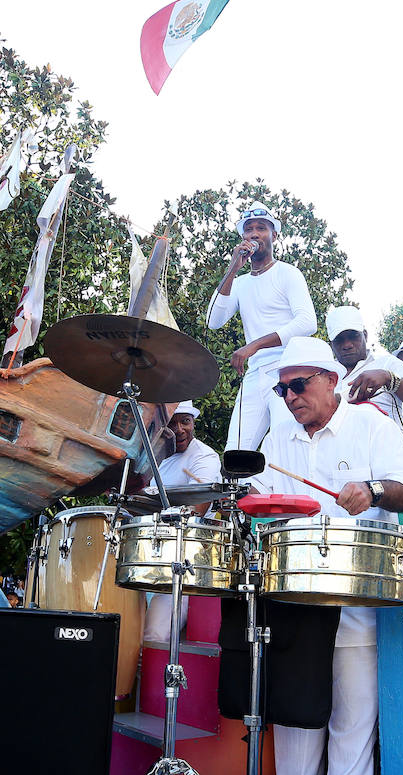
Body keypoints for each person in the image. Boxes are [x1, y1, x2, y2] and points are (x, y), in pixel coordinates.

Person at [248, 337, 403, 775]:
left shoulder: (371, 424)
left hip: (355, 589)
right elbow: (258, 493)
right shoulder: (280, 436)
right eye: (283, 390)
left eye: (298, 385)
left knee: (353, 711)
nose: (290, 397)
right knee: (296, 700)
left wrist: (372, 490)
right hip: (296, 589)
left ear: (330, 380)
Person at [205, 203, 318, 450]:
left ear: (274, 235)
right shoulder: (241, 282)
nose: (254, 234)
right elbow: (213, 321)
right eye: (249, 230)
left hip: (287, 370)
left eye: (261, 228)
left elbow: (308, 322)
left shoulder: (288, 273)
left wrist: (254, 345)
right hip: (255, 374)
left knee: (287, 444)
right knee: (235, 452)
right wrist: (234, 266)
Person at [142, 401, 224, 643]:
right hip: (147, 553)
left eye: (185, 422)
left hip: (182, 559)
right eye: (171, 423)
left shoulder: (204, 457)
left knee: (155, 635)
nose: (179, 429)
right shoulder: (152, 455)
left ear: (193, 423)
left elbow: (200, 505)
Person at [325, 307, 403, 430]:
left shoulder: (387, 364)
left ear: (365, 335)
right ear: (331, 344)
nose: (347, 345)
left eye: (353, 336)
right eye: (339, 340)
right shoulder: (323, 377)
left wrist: (389, 379)